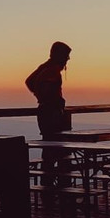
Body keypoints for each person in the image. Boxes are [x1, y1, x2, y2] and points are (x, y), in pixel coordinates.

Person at [26, 41, 71, 194]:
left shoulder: (44, 67)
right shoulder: (51, 71)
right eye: (67, 56)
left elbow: (29, 81)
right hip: (52, 113)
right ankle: (59, 186)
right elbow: (47, 90)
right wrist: (51, 99)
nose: (68, 59)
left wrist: (39, 95)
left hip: (45, 113)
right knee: (57, 150)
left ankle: (49, 185)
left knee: (49, 149)